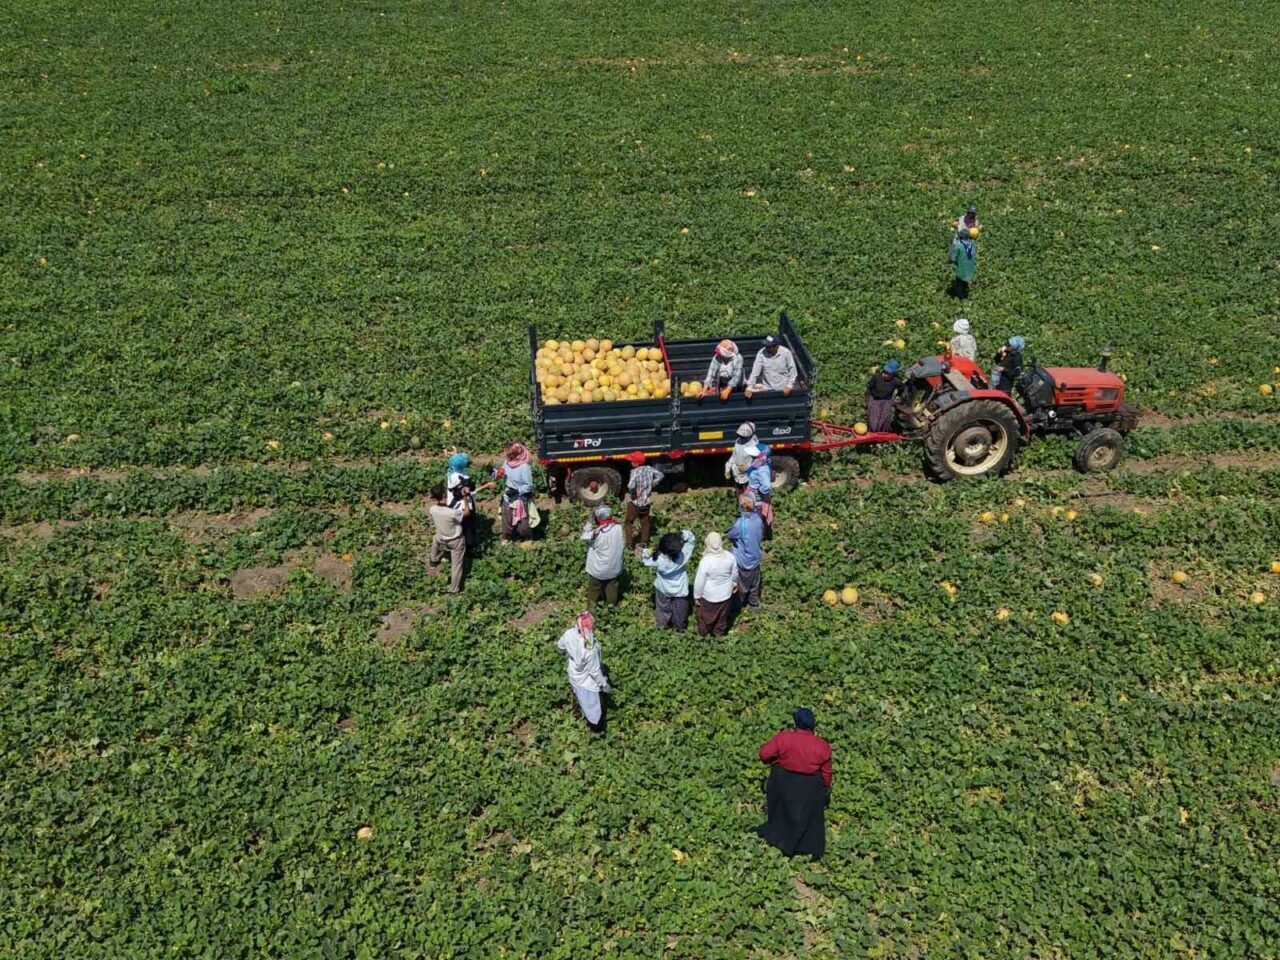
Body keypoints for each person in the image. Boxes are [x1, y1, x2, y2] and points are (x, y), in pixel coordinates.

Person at [756, 708, 833, 859]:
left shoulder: (784, 738)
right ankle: (807, 849)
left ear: (796, 722)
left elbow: (764, 754)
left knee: (782, 811)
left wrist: (774, 761)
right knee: (808, 817)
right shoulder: (822, 745)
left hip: (783, 781)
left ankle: (779, 840)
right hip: (809, 787)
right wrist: (825, 788)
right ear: (813, 725)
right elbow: (826, 773)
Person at [556, 611, 611, 735]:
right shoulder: (589, 647)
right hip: (588, 682)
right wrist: (604, 685)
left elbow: (560, 646)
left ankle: (578, 710)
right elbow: (594, 671)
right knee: (594, 708)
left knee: (580, 697)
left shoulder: (569, 633)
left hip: (575, 675)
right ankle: (597, 729)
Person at [642, 529, 696, 630]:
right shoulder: (682, 557)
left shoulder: (658, 560)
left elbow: (645, 560)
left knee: (662, 609)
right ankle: (680, 628)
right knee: (681, 610)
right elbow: (691, 540)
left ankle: (662, 625)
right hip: (680, 589)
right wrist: (684, 535)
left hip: (663, 588)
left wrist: (647, 552)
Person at [726, 494, 766, 612]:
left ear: (741, 507)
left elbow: (730, 534)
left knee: (742, 585)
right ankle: (754, 604)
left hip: (744, 560)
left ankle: (738, 605)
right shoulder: (758, 519)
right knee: (755, 582)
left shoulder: (740, 524)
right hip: (755, 557)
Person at [693, 531, 738, 636]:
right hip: (726, 595)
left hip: (709, 596)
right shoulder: (730, 556)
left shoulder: (706, 561)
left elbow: (699, 581)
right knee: (722, 617)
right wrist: (734, 584)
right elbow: (735, 573)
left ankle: (703, 635)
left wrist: (697, 596)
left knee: (704, 617)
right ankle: (718, 635)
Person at [427, 483, 470, 594]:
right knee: (456, 565)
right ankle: (454, 589)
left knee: (435, 539)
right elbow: (467, 513)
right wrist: (465, 498)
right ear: (445, 495)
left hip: (441, 536)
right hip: (455, 540)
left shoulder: (432, 509)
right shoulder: (453, 513)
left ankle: (433, 559)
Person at [445, 451, 493, 548]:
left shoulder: (451, 472)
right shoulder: (463, 478)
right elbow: (469, 493)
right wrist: (486, 486)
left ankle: (455, 544)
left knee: (457, 527)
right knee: (467, 528)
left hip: (452, 506)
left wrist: (454, 455)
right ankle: (469, 548)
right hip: (464, 506)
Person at [581, 506, 624, 605]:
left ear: (597, 518)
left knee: (594, 590)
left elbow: (584, 535)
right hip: (615, 567)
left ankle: (591, 610)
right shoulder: (619, 528)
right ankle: (611, 609)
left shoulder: (597, 534)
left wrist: (589, 522)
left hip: (599, 570)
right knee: (612, 589)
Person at [624, 451, 664, 552]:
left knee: (628, 522)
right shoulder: (649, 468)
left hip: (635, 502)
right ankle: (644, 543)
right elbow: (660, 475)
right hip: (646, 502)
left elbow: (630, 485)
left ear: (636, 463)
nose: (630, 463)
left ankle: (629, 545)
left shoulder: (635, 472)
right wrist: (651, 485)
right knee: (645, 521)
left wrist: (634, 492)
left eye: (631, 461)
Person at [498, 442, 534, 543]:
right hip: (507, 495)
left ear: (518, 454)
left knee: (523, 522)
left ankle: (527, 537)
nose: (510, 457)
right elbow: (501, 473)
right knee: (506, 518)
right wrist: (494, 472)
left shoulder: (524, 467)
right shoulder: (507, 462)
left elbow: (528, 486)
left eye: (512, 455)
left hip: (520, 498)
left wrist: (517, 491)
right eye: (509, 455)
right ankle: (506, 537)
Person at [865, 360, 902, 434]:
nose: (886, 375)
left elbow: (901, 388)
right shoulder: (876, 377)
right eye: (885, 372)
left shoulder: (896, 381)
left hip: (886, 401)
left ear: (893, 374)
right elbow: (870, 387)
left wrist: (898, 396)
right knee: (873, 420)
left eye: (889, 374)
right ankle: (872, 435)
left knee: (883, 420)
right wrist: (867, 399)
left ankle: (881, 437)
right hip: (875, 400)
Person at [746, 444, 775, 536]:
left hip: (757, 497)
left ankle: (761, 535)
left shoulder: (762, 469)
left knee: (758, 515)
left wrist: (758, 491)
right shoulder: (758, 462)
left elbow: (766, 486)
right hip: (753, 493)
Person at [725, 422, 759, 491]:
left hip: (748, 478)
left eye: (743, 437)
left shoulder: (753, 446)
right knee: (740, 494)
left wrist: (748, 468)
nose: (741, 438)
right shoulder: (738, 441)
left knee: (748, 497)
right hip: (737, 475)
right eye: (740, 436)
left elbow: (760, 461)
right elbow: (734, 456)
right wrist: (727, 468)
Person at [948, 226, 977, 299]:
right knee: (964, 284)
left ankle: (962, 299)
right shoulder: (973, 245)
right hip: (970, 270)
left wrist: (952, 246)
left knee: (958, 285)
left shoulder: (959, 246)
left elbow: (952, 259)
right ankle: (966, 294)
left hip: (961, 270)